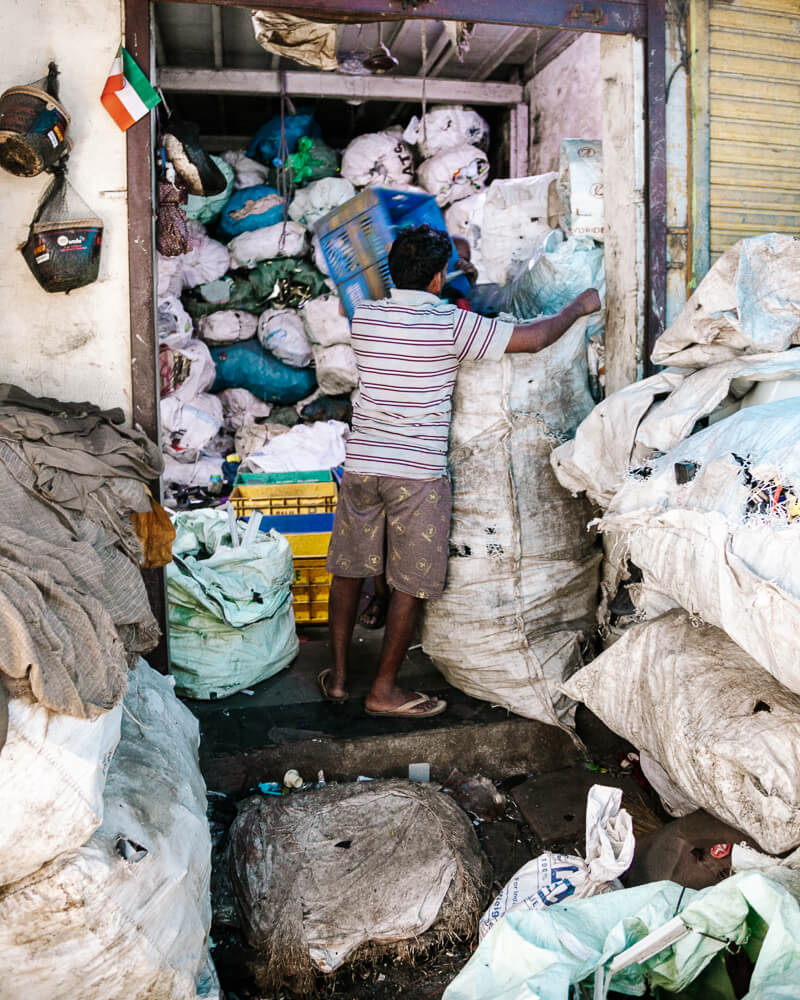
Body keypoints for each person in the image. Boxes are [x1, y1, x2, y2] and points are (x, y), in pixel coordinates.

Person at [318, 224, 601, 718]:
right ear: (437, 278)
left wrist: (434, 276)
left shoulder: (366, 317)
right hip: (417, 473)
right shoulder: (451, 325)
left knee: (349, 569)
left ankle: (339, 679)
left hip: (363, 465)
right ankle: (384, 690)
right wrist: (578, 307)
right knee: (411, 579)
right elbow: (533, 339)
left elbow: (359, 298)